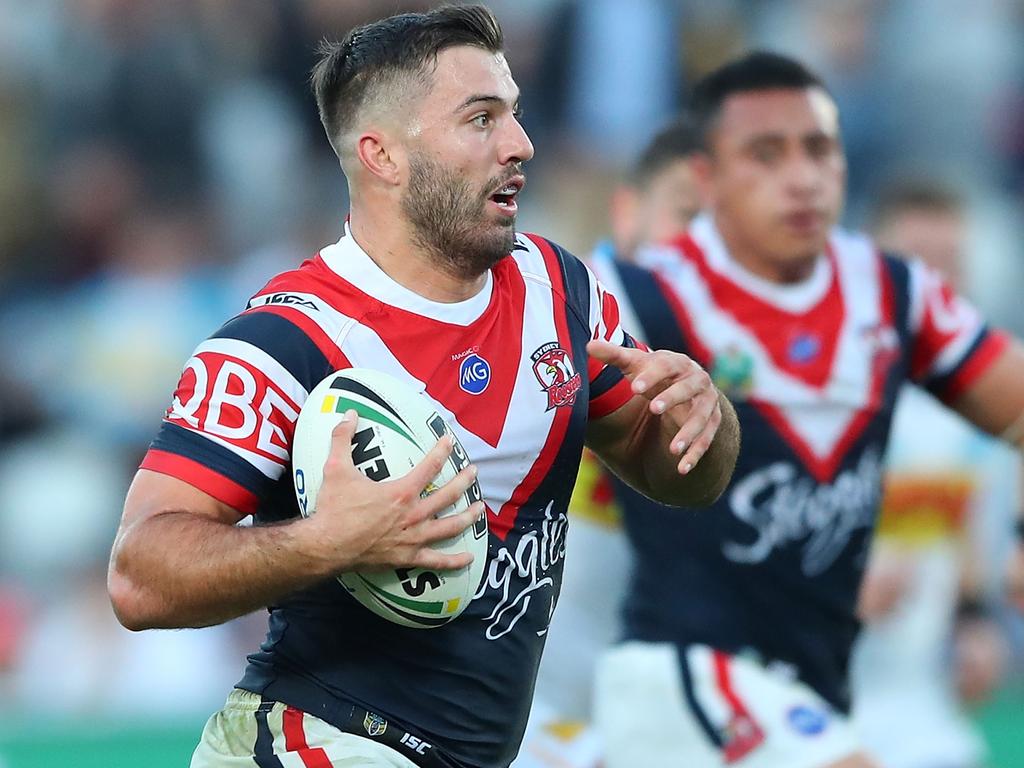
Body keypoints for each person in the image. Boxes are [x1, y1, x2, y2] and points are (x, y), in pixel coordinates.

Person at [106, 7, 741, 768]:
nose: (521, 145)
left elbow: (676, 471)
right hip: (322, 742)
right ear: (383, 156)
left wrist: (705, 416)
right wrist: (325, 542)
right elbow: (138, 576)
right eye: (481, 120)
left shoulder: (559, 289)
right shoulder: (285, 342)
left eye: (515, 114)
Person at [590, 51, 1024, 768]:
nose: (801, 176)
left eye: (819, 150)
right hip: (683, 676)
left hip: (817, 692)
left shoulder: (895, 294)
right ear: (708, 179)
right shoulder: (637, 292)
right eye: (765, 153)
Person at [513, 118, 704, 768]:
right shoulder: (561, 325)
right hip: (523, 708)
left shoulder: (748, 375)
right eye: (690, 215)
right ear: (628, 215)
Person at [849, 180, 1020, 768]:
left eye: (950, 264)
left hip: (924, 712)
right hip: (820, 704)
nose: (934, 285)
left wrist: (976, 625)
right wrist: (834, 590)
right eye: (915, 263)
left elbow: (970, 556)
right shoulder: (811, 398)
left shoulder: (976, 417)